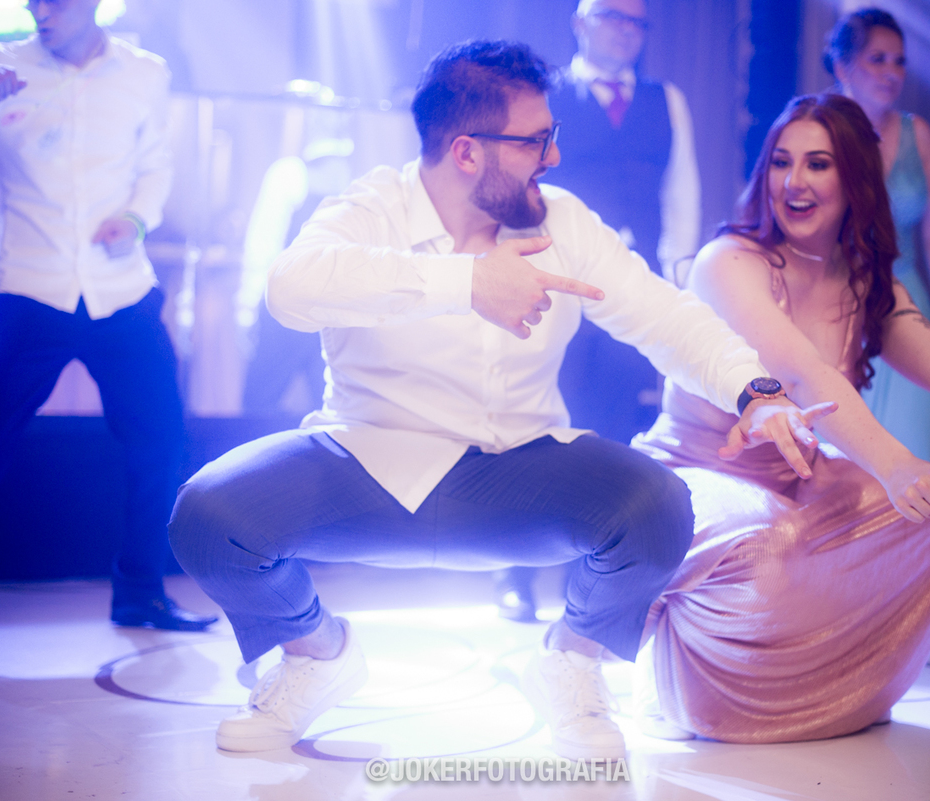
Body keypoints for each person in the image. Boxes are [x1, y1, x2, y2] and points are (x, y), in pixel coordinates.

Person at [167, 40, 830, 759]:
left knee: (659, 507)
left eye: (552, 135)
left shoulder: (563, 221)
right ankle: (316, 654)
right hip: (366, 462)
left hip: (520, 467)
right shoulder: (372, 205)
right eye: (534, 140)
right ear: (466, 152)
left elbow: (664, 316)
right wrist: (467, 281)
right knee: (208, 517)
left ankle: (569, 663)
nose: (553, 156)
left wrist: (756, 391)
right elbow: (289, 288)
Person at [630, 93, 930, 744]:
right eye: (782, 162)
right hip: (696, 471)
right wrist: (895, 464)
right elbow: (798, 373)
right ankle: (685, 682)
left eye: (818, 164)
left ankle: (847, 689)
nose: (794, 181)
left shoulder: (867, 280)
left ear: (855, 179)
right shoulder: (728, 262)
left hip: (799, 477)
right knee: (770, 543)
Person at [0, 0, 216, 660]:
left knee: (161, 441)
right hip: (30, 288)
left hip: (120, 289)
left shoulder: (145, 72)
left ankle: (141, 590)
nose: (40, 10)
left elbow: (156, 165)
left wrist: (136, 219)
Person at [551, 0, 702, 446]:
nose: (626, 30)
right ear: (580, 24)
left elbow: (682, 191)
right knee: (563, 398)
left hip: (638, 273)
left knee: (622, 404)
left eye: (637, 22)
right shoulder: (548, 94)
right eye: (612, 17)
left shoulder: (666, 99)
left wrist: (678, 272)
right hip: (563, 276)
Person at [824, 8, 930, 465]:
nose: (892, 72)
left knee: (911, 451)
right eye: (878, 59)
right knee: (841, 457)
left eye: (899, 61)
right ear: (843, 66)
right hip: (836, 301)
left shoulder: (917, 133)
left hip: (910, 302)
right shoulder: (819, 131)